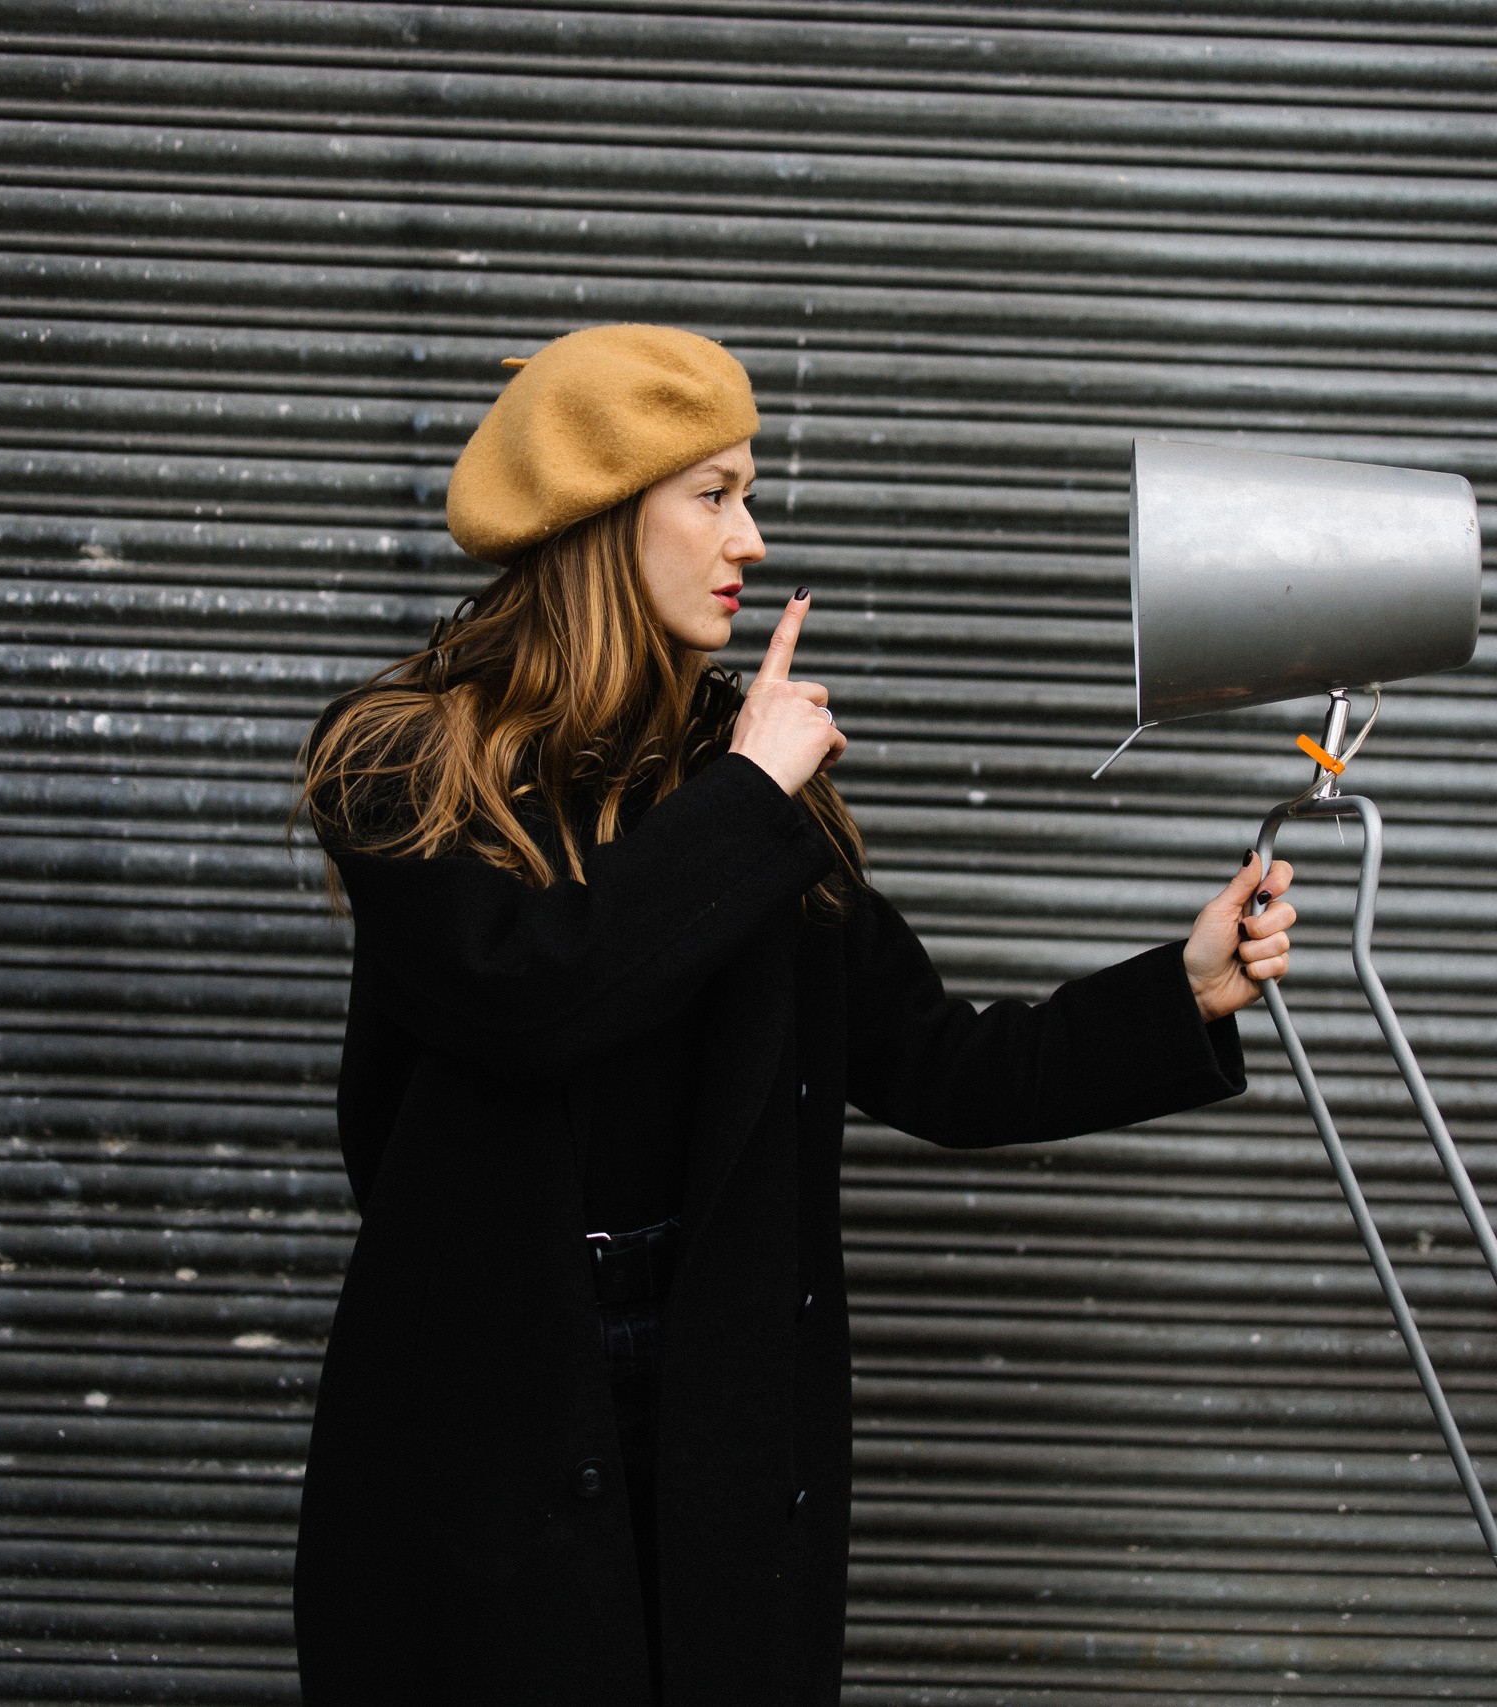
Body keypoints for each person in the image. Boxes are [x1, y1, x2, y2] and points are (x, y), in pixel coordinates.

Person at [289, 324, 1296, 1705]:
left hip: (719, 1407)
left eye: (747, 494)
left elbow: (944, 1064)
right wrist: (748, 799)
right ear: (596, 518)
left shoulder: (748, 780)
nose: (751, 540)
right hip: (489, 1415)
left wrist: (1180, 991)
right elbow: (531, 993)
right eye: (713, 496)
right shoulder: (409, 762)